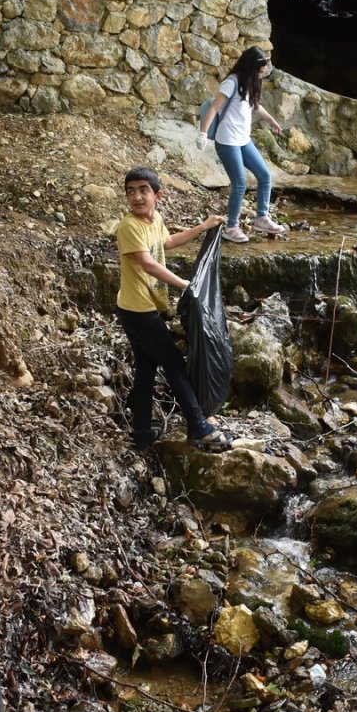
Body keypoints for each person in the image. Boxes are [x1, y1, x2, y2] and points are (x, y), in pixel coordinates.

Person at [116, 165, 233, 452]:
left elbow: (166, 243)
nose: (137, 197)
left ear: (158, 195)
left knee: (146, 369)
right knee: (173, 363)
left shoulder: (154, 220)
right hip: (137, 309)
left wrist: (203, 227)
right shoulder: (129, 226)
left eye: (143, 190)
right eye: (131, 192)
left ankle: (142, 432)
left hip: (143, 307)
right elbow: (147, 263)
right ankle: (198, 427)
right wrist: (184, 284)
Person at [197, 46, 288, 244]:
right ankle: (231, 227)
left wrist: (270, 120)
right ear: (251, 66)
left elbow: (254, 105)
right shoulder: (231, 82)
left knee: (264, 175)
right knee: (240, 184)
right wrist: (203, 133)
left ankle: (262, 218)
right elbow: (214, 107)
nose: (262, 73)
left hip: (243, 140)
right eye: (260, 69)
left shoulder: (251, 81)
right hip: (227, 141)